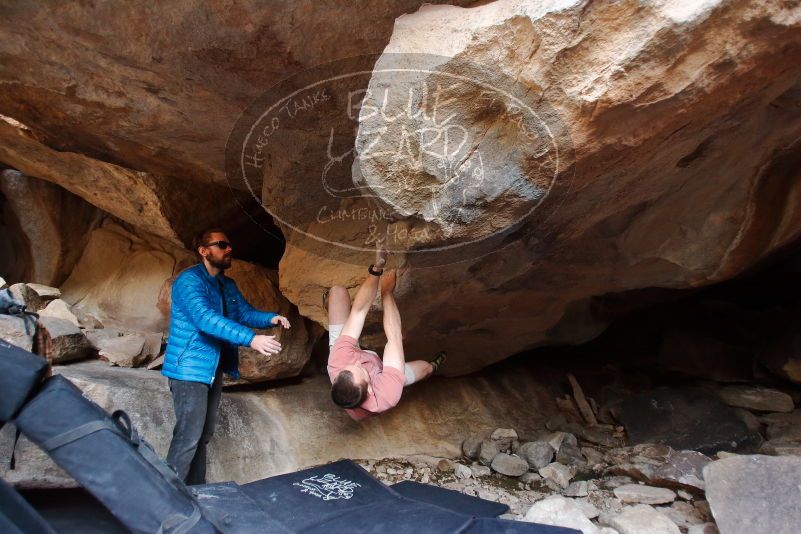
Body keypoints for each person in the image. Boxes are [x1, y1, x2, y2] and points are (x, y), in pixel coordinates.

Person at [162, 227, 290, 484]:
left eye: (229, 244)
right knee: (188, 436)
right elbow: (205, 319)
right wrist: (251, 339)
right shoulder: (189, 282)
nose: (229, 249)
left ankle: (196, 492)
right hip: (189, 369)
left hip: (212, 369)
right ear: (203, 251)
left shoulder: (225, 284)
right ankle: (168, 493)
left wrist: (270, 318)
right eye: (221, 245)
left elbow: (243, 313)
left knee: (203, 435)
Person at [326, 249, 445, 420]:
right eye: (360, 369)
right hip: (382, 373)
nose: (358, 363)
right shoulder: (386, 395)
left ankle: (329, 306)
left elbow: (358, 313)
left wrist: (377, 269)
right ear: (369, 388)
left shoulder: (339, 362)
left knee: (337, 293)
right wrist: (387, 293)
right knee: (425, 368)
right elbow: (394, 338)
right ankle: (434, 366)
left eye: (350, 367)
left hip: (350, 355)